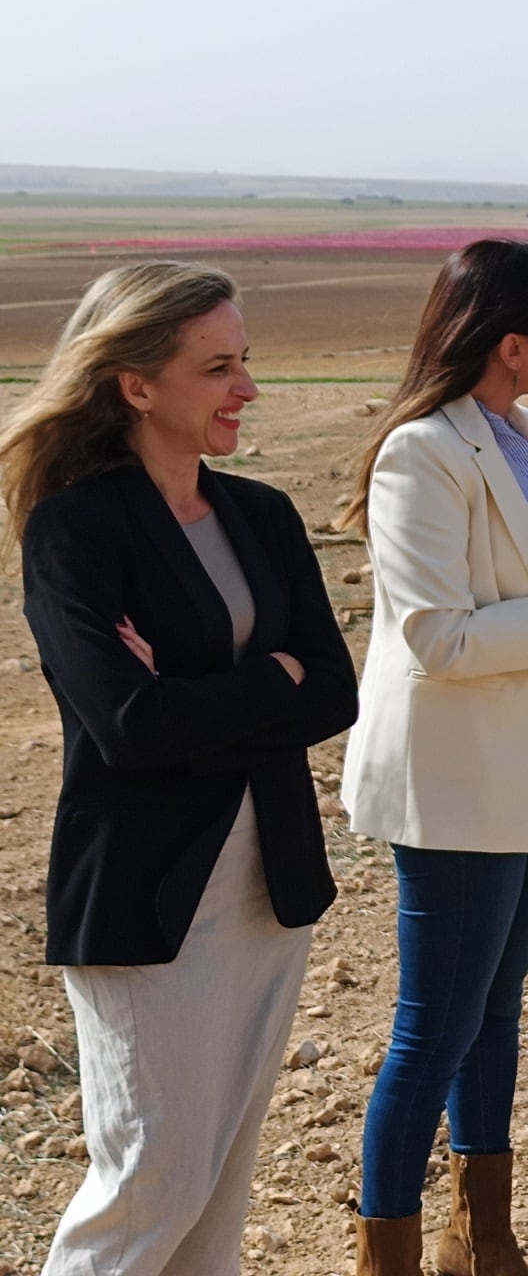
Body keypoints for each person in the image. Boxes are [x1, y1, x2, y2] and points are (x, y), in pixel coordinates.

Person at [1, 261, 357, 1275]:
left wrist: (208, 696)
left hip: (266, 882)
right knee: (150, 1185)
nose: (246, 386)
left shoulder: (263, 516)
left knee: (215, 1192)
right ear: (137, 385)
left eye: (243, 361)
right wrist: (267, 680)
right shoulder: (77, 530)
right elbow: (128, 724)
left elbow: (334, 691)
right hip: (146, 896)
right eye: (218, 368)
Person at [340, 238, 528, 1275]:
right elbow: (437, 637)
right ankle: (387, 1254)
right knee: (434, 1028)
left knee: (497, 1005)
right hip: (456, 775)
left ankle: (486, 1241)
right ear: (510, 343)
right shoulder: (419, 452)